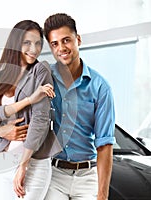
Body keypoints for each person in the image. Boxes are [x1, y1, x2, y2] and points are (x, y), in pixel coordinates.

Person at [0, 20, 61, 200]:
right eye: (27, 43)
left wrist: (23, 166)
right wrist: (0, 129)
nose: (33, 49)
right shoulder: (1, 73)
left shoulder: (41, 71)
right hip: (3, 161)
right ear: (15, 43)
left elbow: (40, 120)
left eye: (38, 43)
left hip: (32, 162)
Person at [43, 13, 116, 200]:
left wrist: (102, 195)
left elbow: (105, 144)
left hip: (87, 176)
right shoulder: (43, 78)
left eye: (66, 40)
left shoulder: (100, 87)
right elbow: (13, 101)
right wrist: (5, 128)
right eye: (55, 44)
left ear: (78, 40)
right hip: (53, 174)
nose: (61, 48)